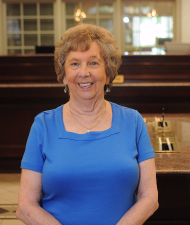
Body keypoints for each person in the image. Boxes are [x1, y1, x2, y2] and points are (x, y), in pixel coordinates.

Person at [16, 24, 159, 224]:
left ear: (108, 73)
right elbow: (25, 207)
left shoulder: (133, 121)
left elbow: (150, 198)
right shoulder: (43, 125)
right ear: (63, 76)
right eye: (74, 64)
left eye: (93, 63)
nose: (84, 73)